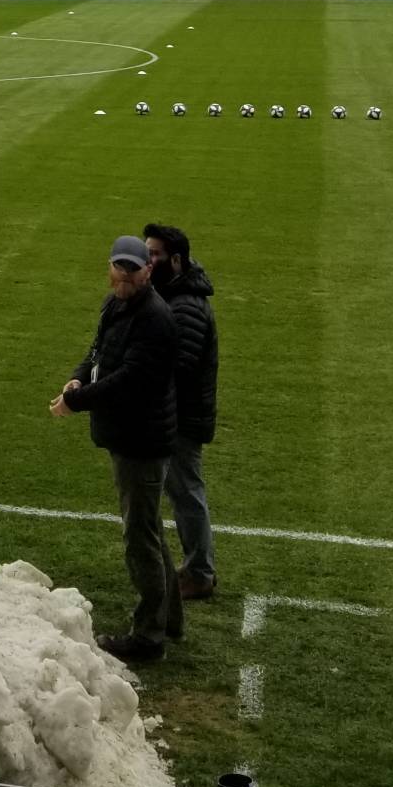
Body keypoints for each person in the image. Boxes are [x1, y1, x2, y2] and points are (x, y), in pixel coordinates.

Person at [52, 235, 182, 663]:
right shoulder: (117, 305)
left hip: (141, 441)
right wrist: (77, 379)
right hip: (130, 435)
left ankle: (148, 637)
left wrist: (77, 401)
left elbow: (129, 380)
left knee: (139, 537)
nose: (124, 275)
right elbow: (97, 352)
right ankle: (169, 618)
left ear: (148, 270)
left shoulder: (155, 319)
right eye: (118, 267)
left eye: (133, 268)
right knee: (149, 529)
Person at [144, 223, 219, 600]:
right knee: (183, 490)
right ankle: (198, 568)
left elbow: (179, 368)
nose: (148, 260)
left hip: (182, 419)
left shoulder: (186, 306)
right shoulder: (174, 294)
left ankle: (199, 572)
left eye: (154, 254)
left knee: (186, 491)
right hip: (178, 414)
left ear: (175, 260)